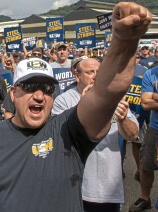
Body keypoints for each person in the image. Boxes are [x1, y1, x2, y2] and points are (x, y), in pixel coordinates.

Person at [0, 2, 152, 211]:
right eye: (30, 87)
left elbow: (107, 94)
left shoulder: (67, 131)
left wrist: (124, 41)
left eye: (47, 88)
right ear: (13, 93)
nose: (39, 95)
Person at [52, 57, 138, 212]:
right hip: (75, 186)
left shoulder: (115, 98)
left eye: (99, 72)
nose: (96, 75)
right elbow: (60, 138)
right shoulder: (63, 100)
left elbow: (132, 135)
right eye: (90, 72)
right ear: (77, 76)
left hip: (108, 188)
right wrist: (84, 106)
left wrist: (123, 120)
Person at [129, 50, 158, 211]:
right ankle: (144, 197)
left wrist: (155, 96)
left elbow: (150, 99)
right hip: (155, 127)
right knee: (146, 164)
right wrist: (150, 98)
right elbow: (146, 104)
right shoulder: (151, 74)